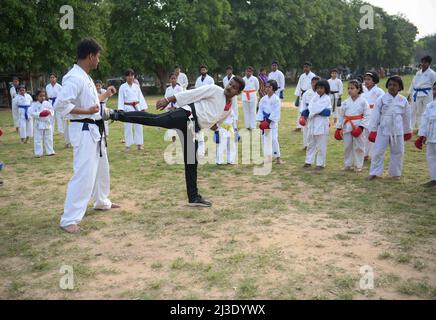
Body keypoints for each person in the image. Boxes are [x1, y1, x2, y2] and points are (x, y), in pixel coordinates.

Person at [106, 77, 246, 207]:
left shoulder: (229, 108)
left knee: (191, 161)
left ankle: (193, 198)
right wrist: (168, 99)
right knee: (155, 120)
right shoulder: (216, 90)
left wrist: (220, 131)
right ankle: (115, 114)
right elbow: (193, 94)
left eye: (233, 87)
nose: (229, 87)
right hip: (186, 115)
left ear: (238, 92)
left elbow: (215, 122)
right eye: (230, 84)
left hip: (193, 129)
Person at [54, 38, 119, 234]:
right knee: (84, 173)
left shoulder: (85, 77)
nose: (98, 60)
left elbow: (91, 102)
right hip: (83, 130)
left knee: (101, 168)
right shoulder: (74, 77)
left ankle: (101, 201)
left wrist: (105, 96)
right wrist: (86, 111)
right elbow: (60, 105)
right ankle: (69, 219)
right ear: (90, 56)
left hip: (94, 130)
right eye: (98, 56)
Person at [366, 76, 412, 181]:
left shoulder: (403, 100)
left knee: (398, 151)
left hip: (398, 129)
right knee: (377, 151)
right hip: (383, 128)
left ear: (400, 87)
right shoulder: (381, 99)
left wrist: (407, 131)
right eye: (390, 84)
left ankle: (396, 173)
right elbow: (375, 116)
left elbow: (406, 117)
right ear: (387, 85)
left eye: (395, 85)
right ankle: (374, 172)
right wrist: (373, 130)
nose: (392, 87)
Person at [334, 80, 370, 173]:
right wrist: (338, 128)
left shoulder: (363, 102)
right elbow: (341, 115)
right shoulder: (345, 102)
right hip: (347, 125)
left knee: (359, 146)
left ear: (358, 89)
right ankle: (347, 164)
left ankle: (358, 165)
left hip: (358, 126)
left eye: (352, 88)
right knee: (347, 146)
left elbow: (367, 115)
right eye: (348, 88)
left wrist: (361, 127)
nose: (349, 90)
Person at [303, 80, 331, 169]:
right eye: (318, 88)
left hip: (322, 123)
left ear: (325, 89)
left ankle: (320, 164)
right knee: (310, 143)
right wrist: (306, 112)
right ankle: (308, 161)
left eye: (321, 88)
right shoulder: (314, 97)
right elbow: (311, 107)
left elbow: (325, 111)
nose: (319, 90)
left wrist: (312, 111)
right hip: (312, 122)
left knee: (321, 145)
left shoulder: (327, 98)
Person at [118, 69, 148, 152]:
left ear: (134, 76)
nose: (130, 77)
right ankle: (128, 145)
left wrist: (143, 108)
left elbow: (140, 97)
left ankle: (139, 144)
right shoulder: (122, 87)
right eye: (128, 75)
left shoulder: (136, 86)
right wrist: (121, 109)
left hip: (137, 107)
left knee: (138, 125)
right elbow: (121, 99)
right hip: (127, 107)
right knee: (128, 126)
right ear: (125, 77)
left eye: (132, 75)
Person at [256, 80, 283, 164]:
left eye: (269, 87)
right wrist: (261, 120)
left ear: (273, 88)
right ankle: (267, 158)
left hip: (272, 122)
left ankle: (278, 158)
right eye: (266, 86)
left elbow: (276, 111)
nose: (267, 88)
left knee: (274, 139)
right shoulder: (263, 99)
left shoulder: (276, 99)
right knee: (265, 140)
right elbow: (260, 110)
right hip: (264, 122)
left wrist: (268, 121)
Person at [415, 82, 436, 187]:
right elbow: (424, 121)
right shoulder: (430, 105)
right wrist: (422, 136)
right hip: (431, 135)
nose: (435, 91)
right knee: (431, 157)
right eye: (434, 89)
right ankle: (434, 178)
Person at [408, 56, 436, 131]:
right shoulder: (418, 73)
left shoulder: (432, 73)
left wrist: (434, 93)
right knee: (417, 111)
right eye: (422, 62)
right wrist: (410, 93)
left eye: (425, 62)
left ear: (429, 63)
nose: (423, 64)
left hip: (427, 94)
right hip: (417, 93)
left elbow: (434, 84)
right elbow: (413, 83)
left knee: (426, 111)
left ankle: (425, 129)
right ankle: (413, 128)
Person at [362, 71, 385, 161]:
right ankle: (365, 154)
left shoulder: (379, 91)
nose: (366, 81)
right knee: (365, 135)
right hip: (365, 115)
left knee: (374, 135)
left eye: (369, 79)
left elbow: (383, 104)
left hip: (375, 115)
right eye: (365, 79)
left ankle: (374, 155)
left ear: (374, 81)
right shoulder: (362, 91)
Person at [28, 89, 55, 157]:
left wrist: (49, 112)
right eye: (40, 96)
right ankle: (38, 153)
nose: (42, 97)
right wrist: (40, 114)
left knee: (49, 138)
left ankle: (50, 151)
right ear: (37, 97)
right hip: (38, 123)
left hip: (47, 122)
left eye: (44, 96)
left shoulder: (47, 103)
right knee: (38, 138)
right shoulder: (34, 104)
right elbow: (31, 113)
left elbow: (52, 110)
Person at [294, 62, 316, 131]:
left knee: (308, 110)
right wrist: (297, 97)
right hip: (302, 94)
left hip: (310, 94)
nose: (305, 68)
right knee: (300, 110)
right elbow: (299, 86)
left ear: (310, 67)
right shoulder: (302, 76)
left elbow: (314, 86)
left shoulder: (313, 76)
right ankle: (299, 126)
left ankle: (307, 125)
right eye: (304, 67)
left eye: (307, 67)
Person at [299, 76, 320, 150]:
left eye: (316, 83)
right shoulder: (307, 93)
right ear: (311, 83)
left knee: (316, 130)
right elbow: (303, 103)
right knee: (306, 129)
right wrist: (303, 113)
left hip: (317, 114)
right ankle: (306, 144)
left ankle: (316, 145)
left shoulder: (321, 94)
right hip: (307, 113)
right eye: (313, 82)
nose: (314, 84)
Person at [164, 73, 184, 142]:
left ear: (176, 79)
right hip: (170, 109)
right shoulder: (168, 89)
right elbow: (166, 99)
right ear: (169, 80)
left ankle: (181, 139)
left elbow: (181, 99)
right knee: (171, 125)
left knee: (178, 125)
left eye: (174, 78)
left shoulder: (180, 88)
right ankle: (173, 141)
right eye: (172, 78)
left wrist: (175, 107)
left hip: (178, 109)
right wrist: (169, 107)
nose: (173, 80)